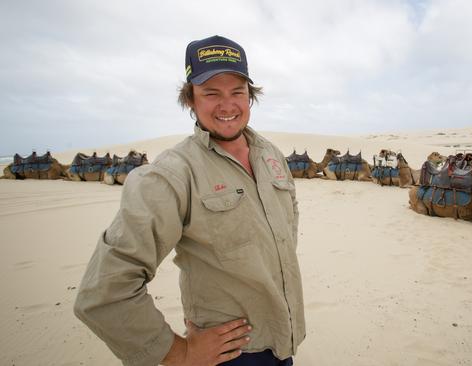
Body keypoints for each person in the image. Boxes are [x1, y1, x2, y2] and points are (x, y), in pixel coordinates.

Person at [74, 35, 305, 366]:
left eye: (237, 92)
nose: (227, 105)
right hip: (231, 356)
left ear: (249, 97)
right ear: (191, 100)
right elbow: (104, 292)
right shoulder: (172, 174)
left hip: (284, 342)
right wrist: (176, 352)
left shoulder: (271, 157)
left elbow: (287, 231)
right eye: (211, 93)